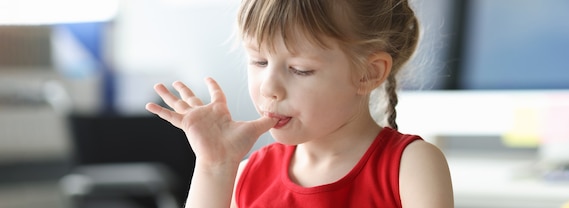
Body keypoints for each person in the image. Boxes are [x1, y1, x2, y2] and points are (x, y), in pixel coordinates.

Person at [145, 0, 453, 207]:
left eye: (299, 69)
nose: (269, 87)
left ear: (368, 74)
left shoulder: (411, 166)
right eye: (259, 61)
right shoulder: (248, 174)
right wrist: (214, 167)